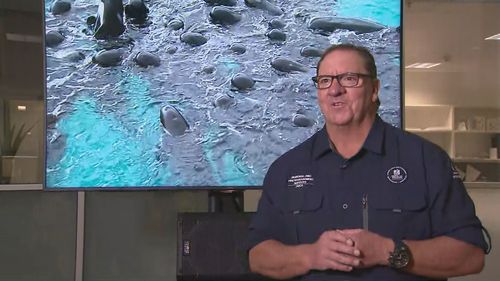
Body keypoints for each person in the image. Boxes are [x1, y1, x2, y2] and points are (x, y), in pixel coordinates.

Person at [247, 43, 489, 281]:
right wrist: (310, 255)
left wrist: (388, 251)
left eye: (349, 78)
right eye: (325, 81)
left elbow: (471, 255)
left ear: (374, 89)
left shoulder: (427, 161)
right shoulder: (287, 169)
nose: (335, 90)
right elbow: (258, 256)